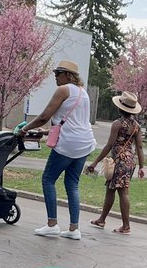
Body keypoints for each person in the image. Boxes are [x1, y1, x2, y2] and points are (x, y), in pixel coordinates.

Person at [15, 59, 95, 240]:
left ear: (68, 75)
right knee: (72, 184)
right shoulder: (83, 93)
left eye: (57, 73)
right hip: (84, 143)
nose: (55, 77)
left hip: (68, 143)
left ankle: (52, 224)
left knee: (48, 179)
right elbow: (73, 121)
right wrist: (47, 131)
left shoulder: (63, 90)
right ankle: (74, 229)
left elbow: (44, 116)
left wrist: (24, 129)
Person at [87, 91, 147, 234]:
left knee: (122, 192)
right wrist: (142, 166)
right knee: (111, 189)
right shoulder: (137, 126)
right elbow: (139, 147)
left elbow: (109, 145)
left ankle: (126, 226)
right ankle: (102, 219)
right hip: (130, 161)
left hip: (118, 161)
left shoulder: (117, 124)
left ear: (120, 108)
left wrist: (95, 162)